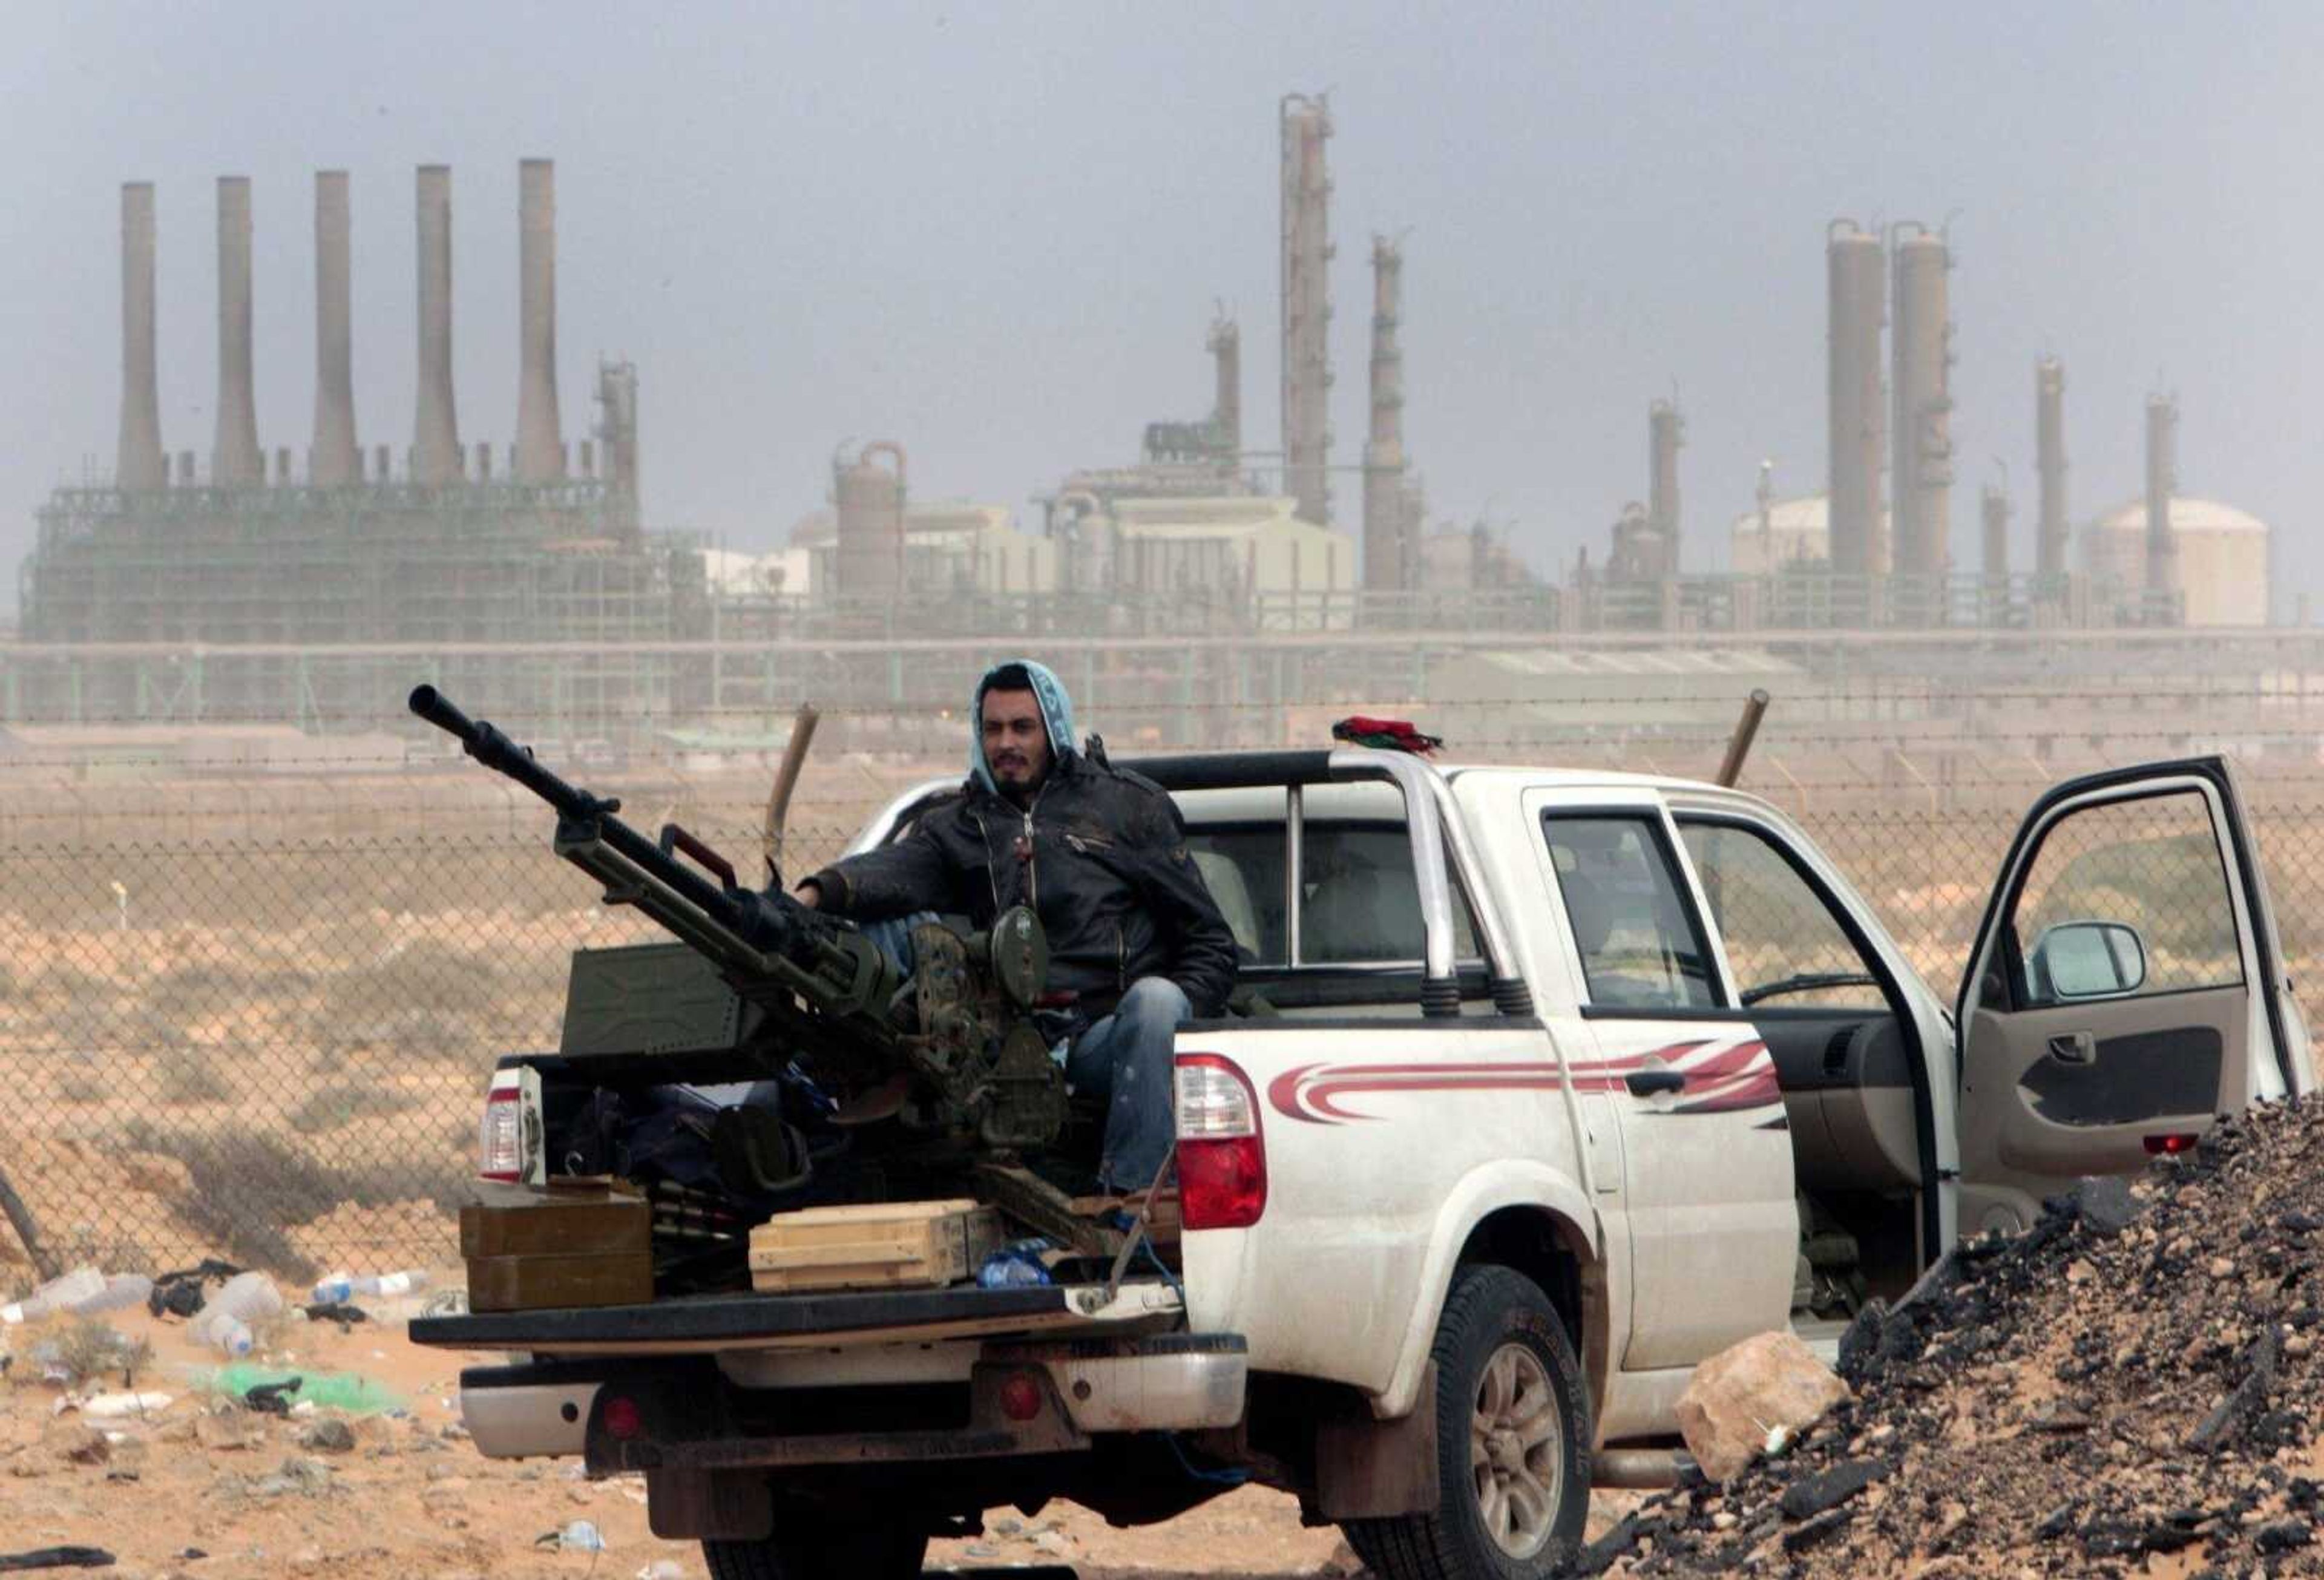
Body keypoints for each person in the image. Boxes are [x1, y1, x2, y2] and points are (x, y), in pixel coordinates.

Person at [795, 659, 1237, 1195]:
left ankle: (1132, 1200)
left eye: (1022, 728)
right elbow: (894, 871)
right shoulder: (962, 824)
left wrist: (1169, 1039)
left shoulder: (1125, 807)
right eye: (993, 728)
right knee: (884, 933)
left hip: (1102, 1037)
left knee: (1158, 1002)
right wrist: (813, 894)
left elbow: (1210, 943)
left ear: (1053, 727)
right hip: (996, 1045)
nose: (1006, 743)